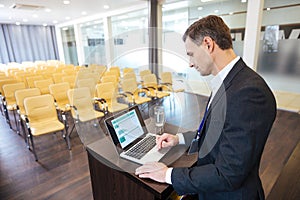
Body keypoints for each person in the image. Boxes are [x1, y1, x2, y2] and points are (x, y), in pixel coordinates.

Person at [135, 15, 277, 200]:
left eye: (191, 54)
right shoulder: (230, 80)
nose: (190, 63)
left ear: (208, 44)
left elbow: (228, 174)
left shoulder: (248, 92)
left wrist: (167, 174)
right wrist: (179, 139)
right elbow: (217, 131)